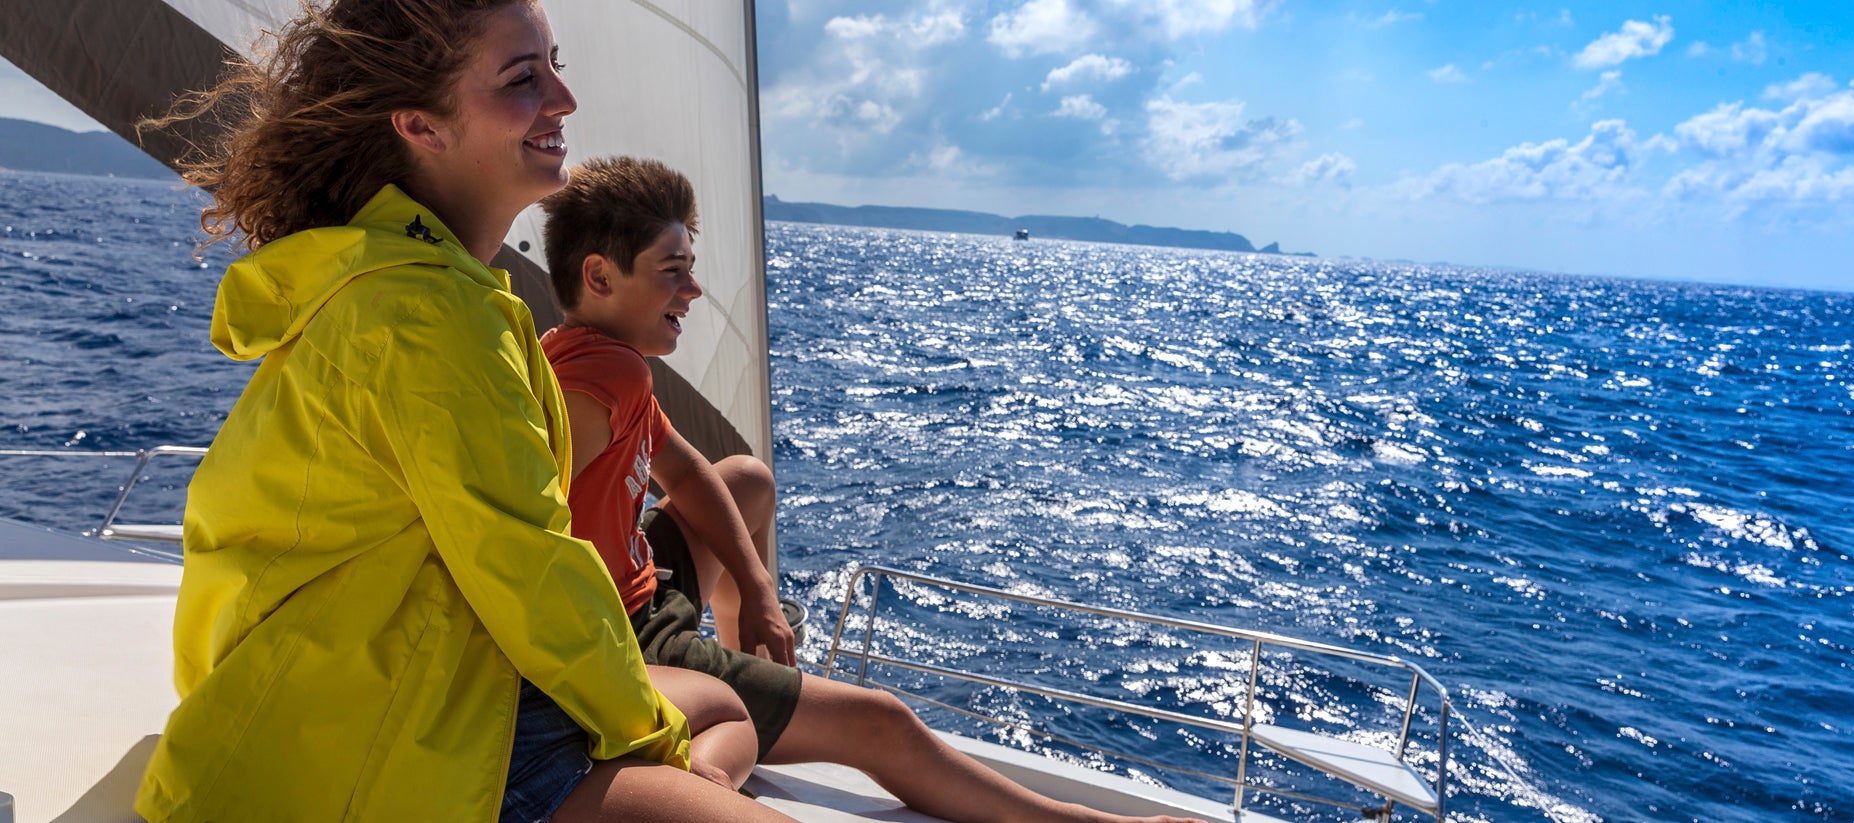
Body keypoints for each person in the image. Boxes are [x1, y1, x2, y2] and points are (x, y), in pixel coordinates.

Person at [132, 3, 791, 821]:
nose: (564, 97)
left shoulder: (398, 282)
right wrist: (653, 750)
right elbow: (532, 568)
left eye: (556, 61)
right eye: (523, 78)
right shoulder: (427, 316)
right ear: (421, 125)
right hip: (389, 750)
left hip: (391, 697)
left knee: (724, 712)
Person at [539, 155, 1204, 823]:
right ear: (600, 275)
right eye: (672, 270)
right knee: (880, 721)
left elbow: (685, 474)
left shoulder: (587, 357)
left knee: (744, 479)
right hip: (625, 640)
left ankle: (750, 666)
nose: (694, 290)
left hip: (640, 590)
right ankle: (1083, 822)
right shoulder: (602, 382)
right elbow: (541, 542)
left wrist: (760, 590)